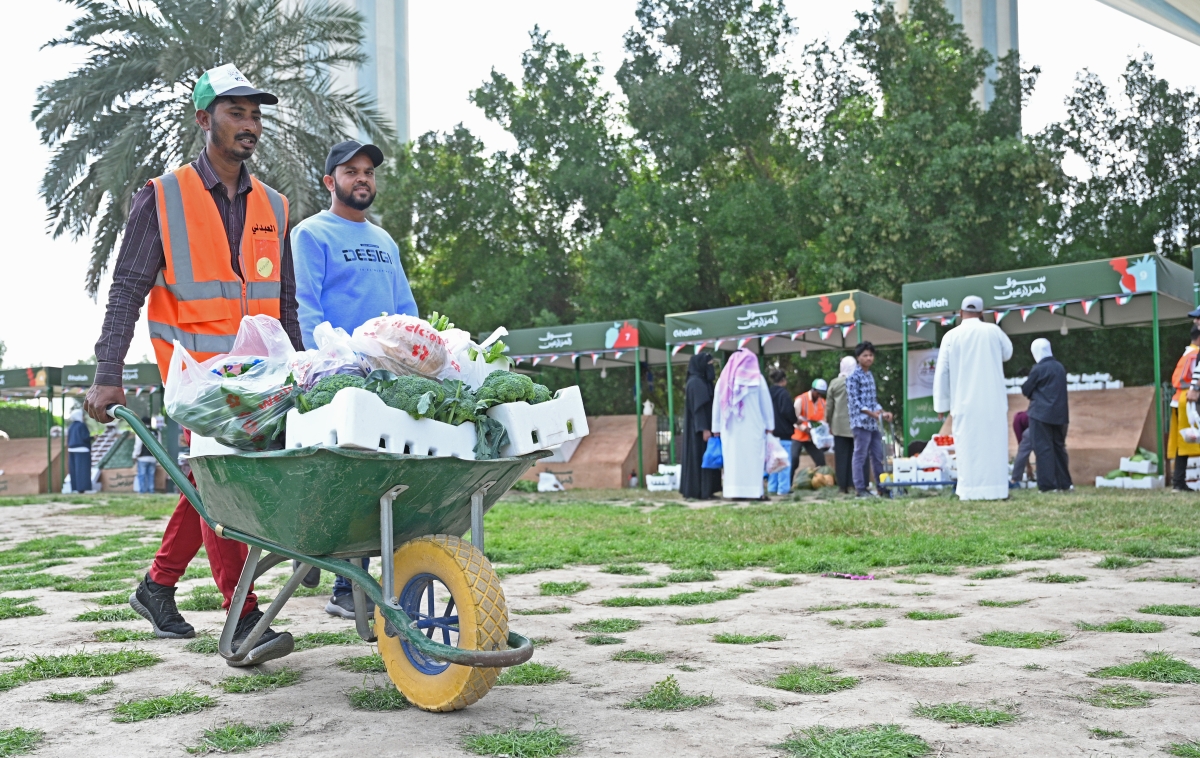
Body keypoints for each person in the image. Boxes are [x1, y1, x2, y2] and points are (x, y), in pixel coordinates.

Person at [84, 64, 296, 665]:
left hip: (260, 382)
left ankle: (157, 587)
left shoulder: (274, 207)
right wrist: (107, 373)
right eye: (236, 112)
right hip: (197, 380)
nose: (250, 125)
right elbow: (126, 287)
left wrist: (303, 368)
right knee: (219, 477)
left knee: (206, 481)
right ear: (205, 120)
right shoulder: (163, 197)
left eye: (255, 114)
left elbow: (283, 302)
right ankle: (242, 615)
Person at [292, 139, 419, 618]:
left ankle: (334, 564)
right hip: (340, 372)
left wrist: (424, 356)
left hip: (389, 374)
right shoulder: (311, 234)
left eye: (368, 171)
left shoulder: (385, 241)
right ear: (330, 182)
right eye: (351, 171)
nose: (362, 178)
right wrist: (329, 361)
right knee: (350, 473)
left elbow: (406, 310)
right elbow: (308, 303)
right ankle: (345, 584)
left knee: (384, 473)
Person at [932, 295, 1013, 500]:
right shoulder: (993, 331)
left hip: (964, 403)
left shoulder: (951, 336)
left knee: (968, 446)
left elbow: (941, 372)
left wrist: (941, 404)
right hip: (992, 403)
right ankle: (997, 490)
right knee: (994, 445)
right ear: (982, 313)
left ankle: (969, 491)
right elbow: (1008, 354)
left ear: (960, 313)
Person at [713, 349, 774, 500]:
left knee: (733, 461)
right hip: (753, 427)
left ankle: (733, 492)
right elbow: (766, 404)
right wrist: (769, 426)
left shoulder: (723, 380)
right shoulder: (758, 379)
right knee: (753, 461)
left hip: (730, 429)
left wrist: (716, 427)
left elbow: (717, 407)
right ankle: (754, 492)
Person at [1022, 339, 1071, 491]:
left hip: (1040, 414)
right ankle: (1065, 483)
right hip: (1060, 414)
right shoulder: (1060, 367)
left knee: (1043, 449)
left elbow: (1026, 389)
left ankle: (1048, 485)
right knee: (1058, 448)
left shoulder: (1038, 369)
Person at [847, 342, 891, 497]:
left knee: (878, 456)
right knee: (860, 455)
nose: (868, 358)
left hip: (873, 424)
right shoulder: (853, 377)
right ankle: (860, 488)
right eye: (865, 355)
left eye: (871, 355)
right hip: (860, 423)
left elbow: (873, 401)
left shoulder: (870, 375)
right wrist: (873, 414)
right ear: (858, 357)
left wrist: (883, 412)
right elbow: (855, 403)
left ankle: (882, 486)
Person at [680, 353, 720, 500]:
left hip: (705, 429)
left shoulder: (701, 382)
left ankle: (707, 490)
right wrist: (704, 429)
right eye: (709, 364)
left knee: (707, 458)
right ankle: (700, 491)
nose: (711, 368)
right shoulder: (696, 383)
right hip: (700, 431)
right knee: (700, 459)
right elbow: (699, 409)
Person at [1168, 326, 1200, 492]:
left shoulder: (1187, 353)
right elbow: (1182, 380)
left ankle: (1178, 482)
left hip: (1180, 399)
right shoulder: (1195, 354)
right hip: (1189, 400)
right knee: (1189, 439)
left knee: (1184, 441)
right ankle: (1178, 482)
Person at [825, 356, 856, 494]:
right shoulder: (857, 382)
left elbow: (829, 406)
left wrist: (829, 421)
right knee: (855, 456)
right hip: (856, 425)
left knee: (841, 457)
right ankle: (854, 483)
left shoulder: (835, 383)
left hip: (839, 425)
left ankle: (842, 486)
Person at [767, 369, 799, 495]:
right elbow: (787, 411)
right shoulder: (783, 394)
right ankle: (783, 489)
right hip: (784, 432)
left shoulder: (768, 392)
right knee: (784, 462)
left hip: (771, 432)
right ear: (784, 380)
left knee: (773, 461)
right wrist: (796, 420)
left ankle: (772, 487)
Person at [791, 379, 828, 475]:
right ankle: (788, 484)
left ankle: (820, 482)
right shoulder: (801, 400)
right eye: (818, 393)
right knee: (793, 459)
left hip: (813, 437)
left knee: (821, 461)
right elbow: (793, 419)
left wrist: (818, 431)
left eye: (822, 393)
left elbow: (823, 421)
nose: (819, 395)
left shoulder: (823, 403)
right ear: (813, 390)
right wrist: (805, 429)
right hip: (798, 435)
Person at [131, 417, 159, 494]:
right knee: (151, 475)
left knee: (142, 475)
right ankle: (151, 490)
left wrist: (134, 455)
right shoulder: (156, 432)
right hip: (153, 457)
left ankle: (142, 491)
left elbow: (138, 445)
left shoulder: (140, 431)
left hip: (142, 457)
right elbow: (159, 445)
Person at [66, 409, 91, 494]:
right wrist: (93, 437)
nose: (83, 417)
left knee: (74, 470)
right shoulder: (81, 425)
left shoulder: (71, 426)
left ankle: (75, 487)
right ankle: (82, 488)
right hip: (82, 450)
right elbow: (85, 437)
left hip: (71, 450)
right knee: (82, 470)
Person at [1010, 410, 1033, 488]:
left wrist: (1028, 466)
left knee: (1023, 451)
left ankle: (1015, 480)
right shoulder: (1025, 415)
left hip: (1034, 425)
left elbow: (1022, 446)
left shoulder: (1017, 420)